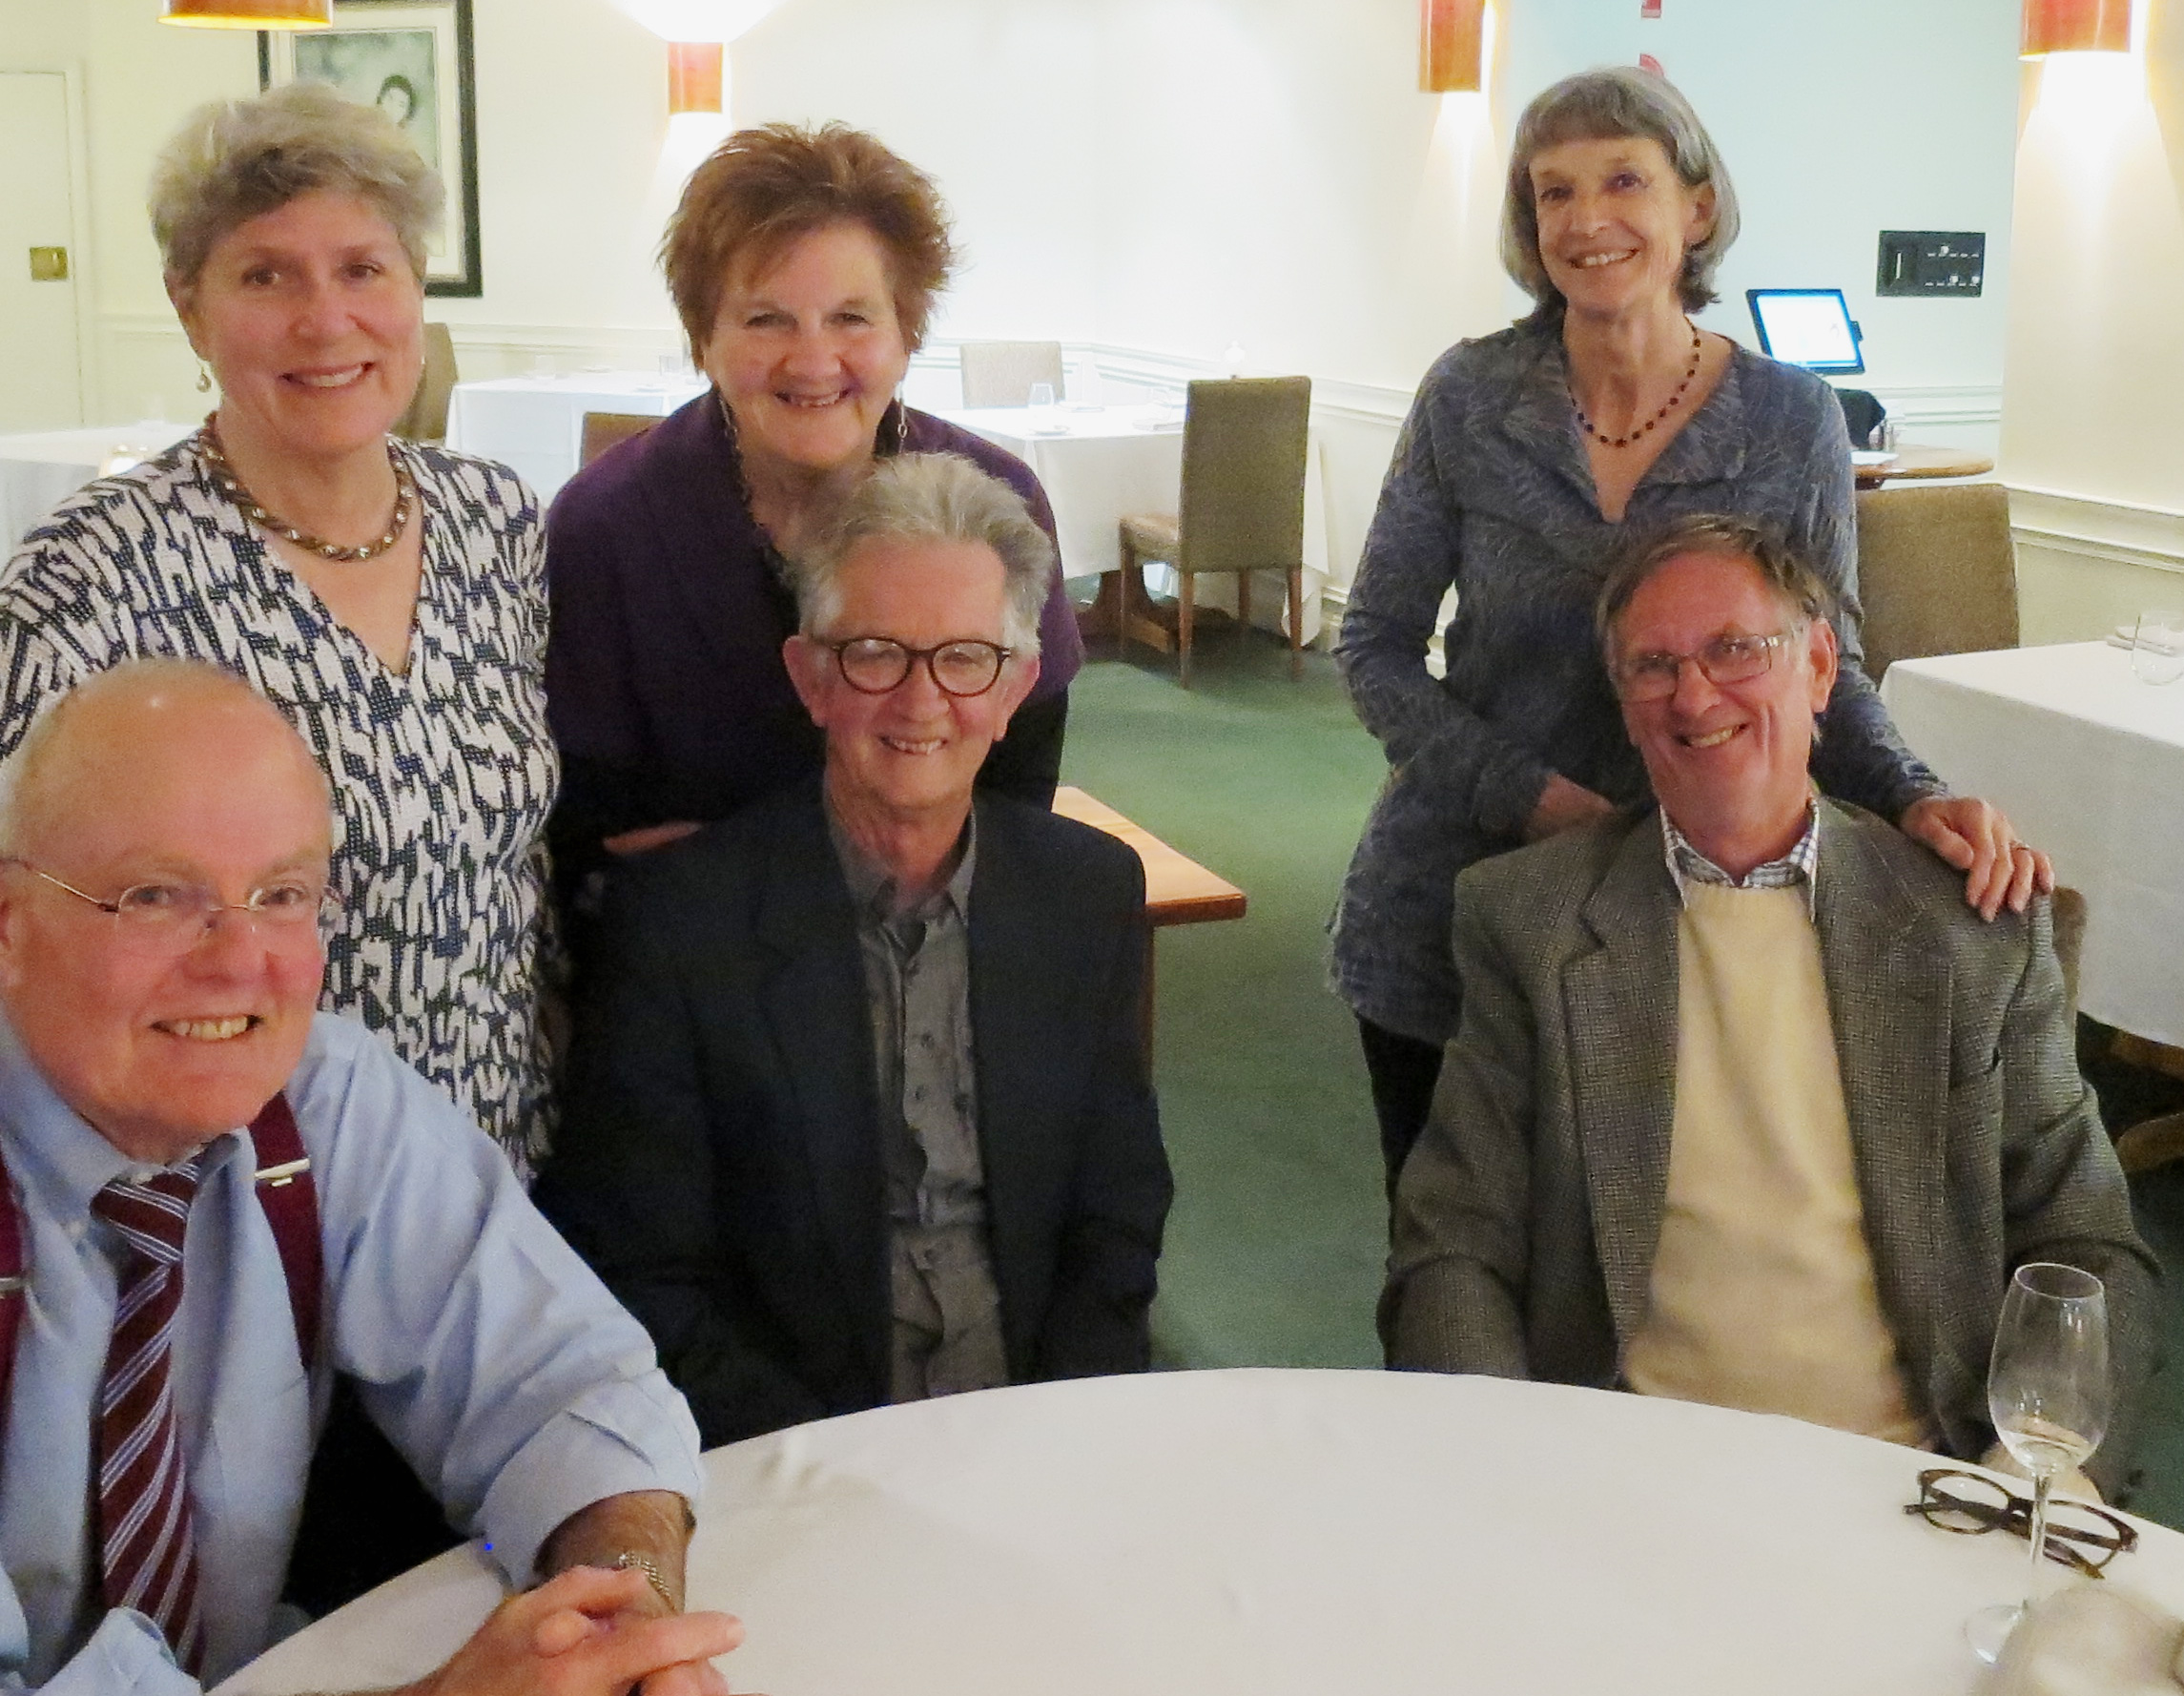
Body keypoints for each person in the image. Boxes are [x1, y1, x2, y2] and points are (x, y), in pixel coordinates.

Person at [0, 662, 775, 1696]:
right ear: (3, 916)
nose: (240, 962)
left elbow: (574, 1389)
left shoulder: (325, 1102)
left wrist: (624, 1641)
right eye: (156, 897)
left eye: (282, 894)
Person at [0, 83, 563, 1419]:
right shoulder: (102, 568)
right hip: (239, 1220)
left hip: (487, 1203)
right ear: (189, 307)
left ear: (414, 291)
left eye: (362, 269)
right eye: (265, 275)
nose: (325, 319)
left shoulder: (494, 524)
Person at [1329, 67, 2047, 1204]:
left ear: (1695, 208)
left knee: (1637, 1266)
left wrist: (1915, 795)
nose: (1587, 219)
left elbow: (1829, 671)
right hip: (1453, 902)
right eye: (1553, 193)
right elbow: (1371, 648)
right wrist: (1540, 799)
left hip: (1697, 911)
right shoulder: (1468, 396)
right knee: (1444, 1255)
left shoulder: (1789, 419)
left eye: (1625, 180)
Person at [1380, 516, 2153, 1488]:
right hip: (1623, 1470)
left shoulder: (1969, 928)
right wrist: (1507, 1463)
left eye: (1735, 649)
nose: (1694, 694)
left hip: (1916, 1478)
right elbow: (1454, 1240)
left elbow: (2087, 1244)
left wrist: (2033, 1480)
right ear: (1624, 706)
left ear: (1821, 665)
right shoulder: (1529, 922)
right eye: (1652, 665)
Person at [536, 454, 1173, 1449]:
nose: (922, 703)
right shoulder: (682, 920)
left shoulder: (1087, 893)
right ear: (812, 676)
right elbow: (644, 1273)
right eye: (876, 651)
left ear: (1016, 689)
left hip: (1045, 1429)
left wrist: (1064, 1429)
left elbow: (1117, 1215)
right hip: (793, 1454)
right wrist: (839, 1468)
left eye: (966, 658)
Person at [544, 122, 1085, 913]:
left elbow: (1018, 777)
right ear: (704, 339)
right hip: (690, 956)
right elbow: (589, 824)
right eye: (767, 320)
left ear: (908, 334)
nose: (813, 361)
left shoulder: (996, 502)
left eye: (852, 319)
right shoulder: (606, 525)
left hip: (929, 927)